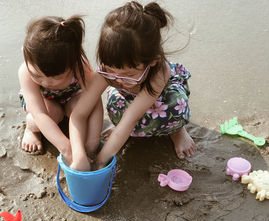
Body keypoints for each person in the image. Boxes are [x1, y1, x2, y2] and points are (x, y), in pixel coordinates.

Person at [69, 1, 196, 171]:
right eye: (112, 71)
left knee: (174, 109)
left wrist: (100, 161)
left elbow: (131, 118)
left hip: (162, 97)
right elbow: (78, 114)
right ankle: (120, 135)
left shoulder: (160, 71)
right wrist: (79, 154)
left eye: (128, 74)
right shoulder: (107, 69)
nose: (119, 79)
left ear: (152, 61)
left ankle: (177, 131)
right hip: (130, 99)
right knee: (115, 106)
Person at [18, 15, 103, 165]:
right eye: (38, 76)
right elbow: (40, 114)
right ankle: (31, 130)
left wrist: (92, 143)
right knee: (51, 114)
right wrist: (67, 149)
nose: (46, 82)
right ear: (24, 53)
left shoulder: (81, 66)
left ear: (73, 63)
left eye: (56, 78)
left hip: (72, 97)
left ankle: (69, 120)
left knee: (83, 108)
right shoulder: (25, 72)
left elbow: (95, 101)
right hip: (43, 103)